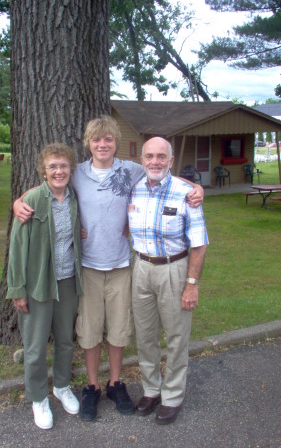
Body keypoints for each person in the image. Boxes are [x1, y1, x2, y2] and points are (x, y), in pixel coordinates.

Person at [13, 116, 204, 422]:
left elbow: (164, 174)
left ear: (116, 142)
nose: (102, 145)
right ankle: (92, 386)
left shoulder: (132, 171)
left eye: (108, 140)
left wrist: (196, 186)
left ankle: (115, 383)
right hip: (86, 268)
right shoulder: (76, 174)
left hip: (122, 266)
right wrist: (17, 202)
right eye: (96, 140)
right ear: (88, 144)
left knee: (118, 330)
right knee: (89, 332)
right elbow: (48, 186)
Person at [128, 137, 208, 425]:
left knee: (176, 336)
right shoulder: (134, 189)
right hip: (141, 268)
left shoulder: (187, 193)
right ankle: (151, 389)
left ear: (171, 161)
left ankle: (172, 394)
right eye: (149, 156)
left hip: (174, 269)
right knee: (145, 335)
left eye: (161, 156)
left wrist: (191, 283)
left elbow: (199, 243)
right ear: (142, 160)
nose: (155, 161)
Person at [7, 143, 83, 430]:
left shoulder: (74, 198)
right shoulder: (33, 201)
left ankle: (61, 386)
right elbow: (17, 247)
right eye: (53, 166)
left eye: (63, 165)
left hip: (67, 282)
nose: (59, 171)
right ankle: (38, 397)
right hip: (38, 285)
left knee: (65, 340)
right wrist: (17, 290)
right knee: (36, 347)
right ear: (44, 170)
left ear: (70, 169)